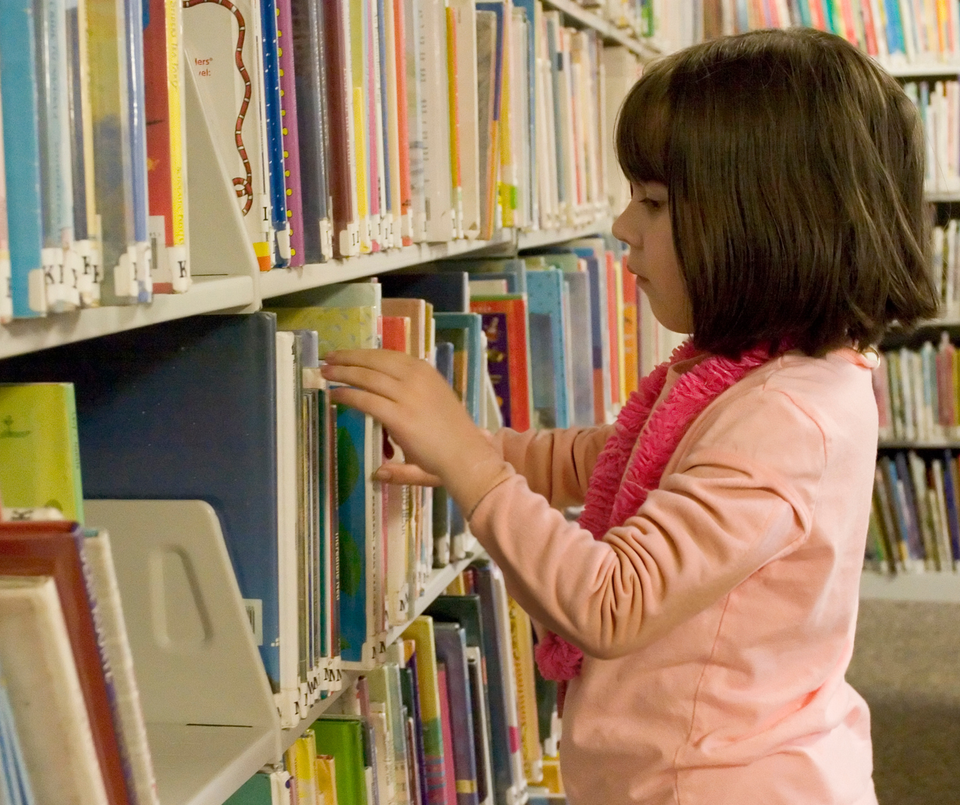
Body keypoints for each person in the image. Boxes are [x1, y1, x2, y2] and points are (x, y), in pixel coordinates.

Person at [321, 27, 939, 805]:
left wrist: (472, 470)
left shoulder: (787, 416)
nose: (622, 225)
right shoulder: (761, 378)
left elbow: (610, 602)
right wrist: (482, 446)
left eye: (651, 202)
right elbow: (616, 457)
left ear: (767, 222)